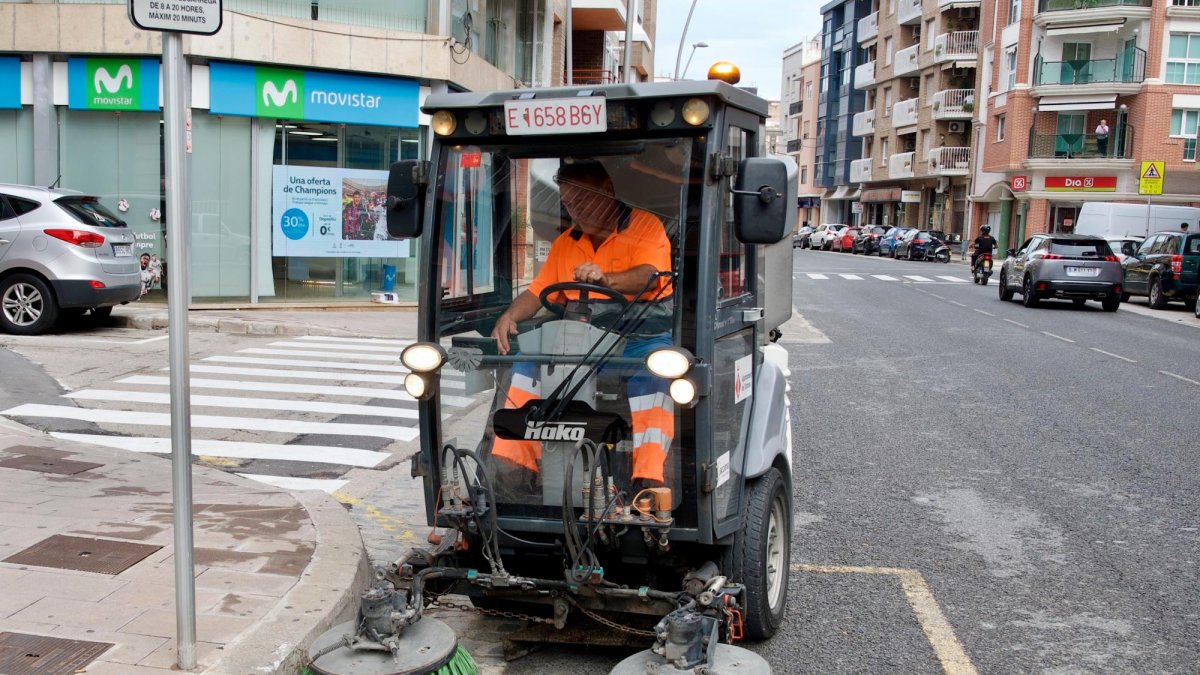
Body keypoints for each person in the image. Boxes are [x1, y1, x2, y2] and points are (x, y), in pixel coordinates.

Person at [490, 159, 675, 488]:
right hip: (585, 344)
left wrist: (607, 279)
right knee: (529, 361)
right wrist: (509, 316)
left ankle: (649, 480)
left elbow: (649, 275)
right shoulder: (566, 243)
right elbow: (537, 292)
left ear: (607, 191)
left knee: (654, 377)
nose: (575, 210)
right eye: (568, 202)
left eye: (582, 199)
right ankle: (514, 469)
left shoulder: (645, 226)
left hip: (639, 341)